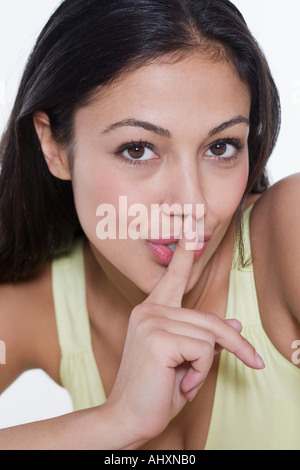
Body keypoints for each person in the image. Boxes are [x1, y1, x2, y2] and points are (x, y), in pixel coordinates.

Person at [0, 0, 299, 450]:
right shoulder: (32, 306)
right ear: (54, 146)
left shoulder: (289, 233)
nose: (191, 204)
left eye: (220, 147)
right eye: (138, 149)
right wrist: (111, 423)